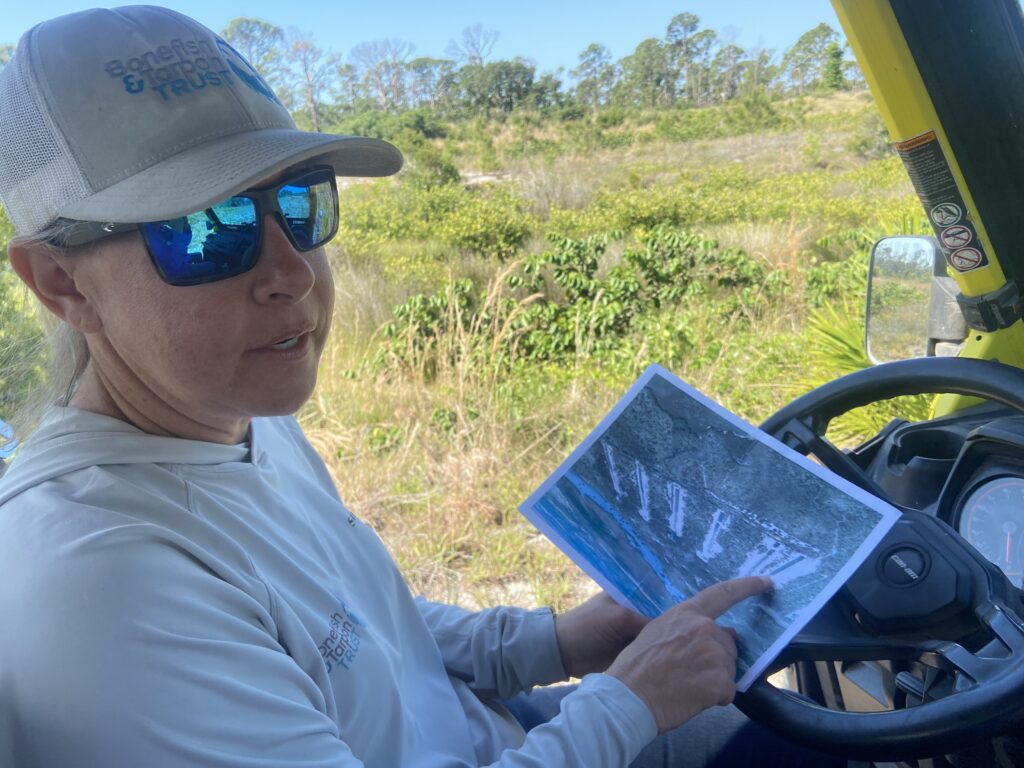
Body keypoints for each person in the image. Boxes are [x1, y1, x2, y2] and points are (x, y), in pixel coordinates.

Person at [0, 7, 845, 767]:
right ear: (60, 283)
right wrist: (629, 705)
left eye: (302, 205)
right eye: (204, 232)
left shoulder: (236, 415)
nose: (294, 272)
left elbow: (357, 629)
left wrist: (553, 642)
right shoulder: (104, 586)